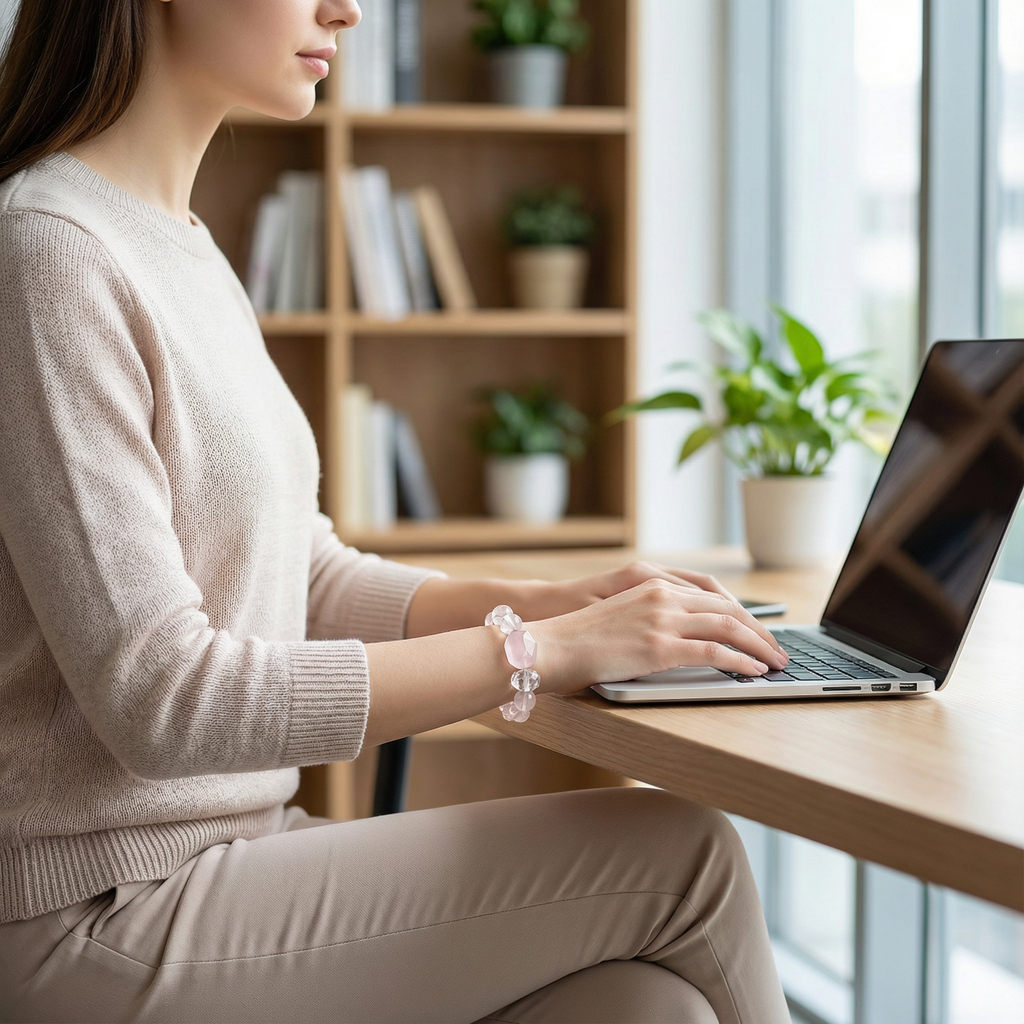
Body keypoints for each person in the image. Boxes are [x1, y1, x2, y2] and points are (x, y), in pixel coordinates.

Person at [0, 2, 792, 1021]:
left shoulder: (178, 243)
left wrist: (550, 603)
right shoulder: (49, 252)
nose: (349, 8)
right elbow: (165, 700)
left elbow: (303, 572)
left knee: (644, 1008)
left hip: (233, 860)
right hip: (95, 912)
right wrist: (538, 652)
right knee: (686, 854)